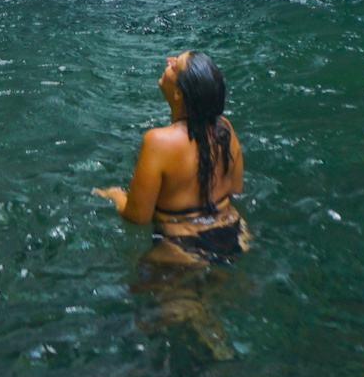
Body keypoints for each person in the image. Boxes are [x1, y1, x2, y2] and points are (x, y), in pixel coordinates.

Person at [93, 49, 250, 262]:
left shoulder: (158, 141)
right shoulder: (226, 129)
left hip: (182, 247)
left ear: (179, 93)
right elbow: (236, 191)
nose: (169, 60)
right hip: (235, 234)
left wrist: (116, 195)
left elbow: (138, 217)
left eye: (175, 66)